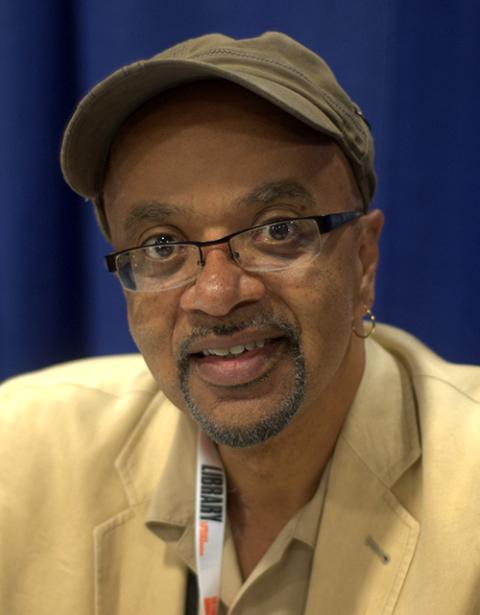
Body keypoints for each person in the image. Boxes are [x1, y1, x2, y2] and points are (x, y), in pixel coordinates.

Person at [1, 32, 479, 615]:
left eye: (277, 230)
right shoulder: (20, 454)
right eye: (160, 245)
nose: (218, 294)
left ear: (363, 261)